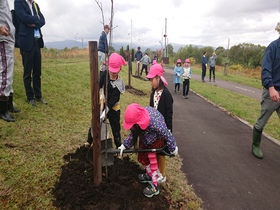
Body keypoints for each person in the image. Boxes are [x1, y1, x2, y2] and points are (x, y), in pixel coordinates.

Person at [118, 103, 178, 197]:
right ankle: (149, 175)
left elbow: (167, 134)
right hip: (146, 137)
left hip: (155, 140)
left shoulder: (155, 123)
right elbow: (133, 134)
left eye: (133, 126)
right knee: (146, 159)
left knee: (152, 161)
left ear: (139, 122)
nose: (132, 128)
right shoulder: (137, 122)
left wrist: (173, 148)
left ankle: (155, 186)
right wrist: (124, 146)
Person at [251, 34, 280, 159]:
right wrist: (271, 88)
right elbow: (266, 70)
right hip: (272, 91)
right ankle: (255, 146)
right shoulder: (273, 47)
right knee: (262, 121)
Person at [15, 0, 47, 106]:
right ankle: (30, 97)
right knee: (27, 71)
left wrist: (33, 22)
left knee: (37, 72)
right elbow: (23, 17)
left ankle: (38, 96)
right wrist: (36, 19)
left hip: (37, 42)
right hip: (26, 42)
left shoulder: (35, 5)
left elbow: (42, 20)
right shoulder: (19, 2)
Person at [146, 64, 173, 184]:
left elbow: (169, 114)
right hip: (153, 128)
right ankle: (153, 170)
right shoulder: (153, 93)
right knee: (153, 150)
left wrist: (168, 130)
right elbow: (151, 110)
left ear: (158, 78)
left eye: (152, 79)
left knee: (161, 151)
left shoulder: (166, 95)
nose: (151, 82)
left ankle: (162, 174)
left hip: (162, 128)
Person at [98, 53, 126, 148]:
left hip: (113, 108)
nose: (113, 74)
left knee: (116, 129)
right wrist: (100, 95)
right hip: (103, 102)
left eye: (115, 72)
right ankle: (89, 141)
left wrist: (106, 110)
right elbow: (98, 85)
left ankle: (118, 147)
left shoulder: (119, 83)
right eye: (111, 71)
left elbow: (114, 99)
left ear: (120, 69)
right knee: (97, 122)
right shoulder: (105, 74)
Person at [0, 0, 20, 122]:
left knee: (9, 73)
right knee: (4, 73)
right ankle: (2, 110)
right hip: (3, 38)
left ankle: (8, 104)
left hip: (9, 38)